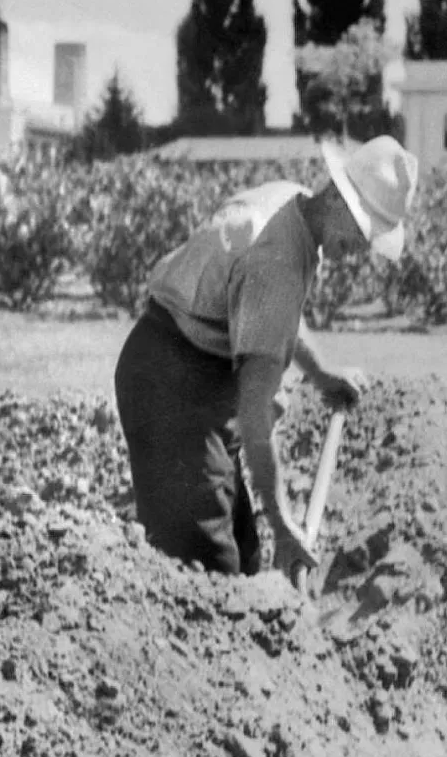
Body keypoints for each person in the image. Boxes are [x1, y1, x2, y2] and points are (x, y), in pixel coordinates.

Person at [113, 135, 418, 580]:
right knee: (208, 572)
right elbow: (255, 412)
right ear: (336, 196)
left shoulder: (292, 204)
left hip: (197, 371)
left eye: (370, 236)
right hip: (168, 386)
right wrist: (283, 524)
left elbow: (273, 312)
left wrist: (320, 372)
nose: (361, 247)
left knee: (244, 558)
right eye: (360, 228)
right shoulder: (277, 258)